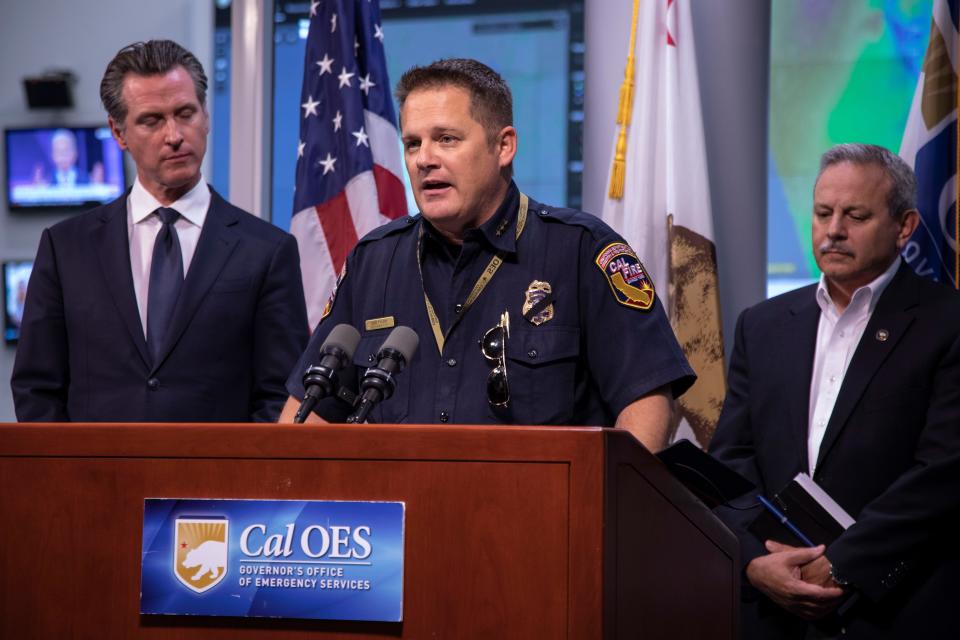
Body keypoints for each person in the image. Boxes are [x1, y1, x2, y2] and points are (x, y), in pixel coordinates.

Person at [279, 58, 695, 451]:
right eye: (412, 143)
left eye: (446, 139)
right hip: (397, 521)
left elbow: (647, 400)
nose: (424, 159)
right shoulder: (373, 261)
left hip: (542, 520)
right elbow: (309, 415)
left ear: (504, 146)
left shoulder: (582, 249)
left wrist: (604, 512)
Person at [709, 143, 960, 638]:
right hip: (772, 608)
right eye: (823, 213)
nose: (834, 230)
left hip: (894, 608)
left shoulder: (946, 321)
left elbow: (942, 474)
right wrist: (755, 561)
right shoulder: (761, 326)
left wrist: (840, 564)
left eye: (856, 215)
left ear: (904, 226)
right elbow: (732, 464)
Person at [11, 40, 308, 422]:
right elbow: (38, 389)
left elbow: (278, 396)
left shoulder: (267, 250)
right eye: (152, 120)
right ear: (118, 133)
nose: (174, 135)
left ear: (206, 117)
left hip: (216, 480)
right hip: (94, 479)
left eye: (185, 113)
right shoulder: (66, 247)